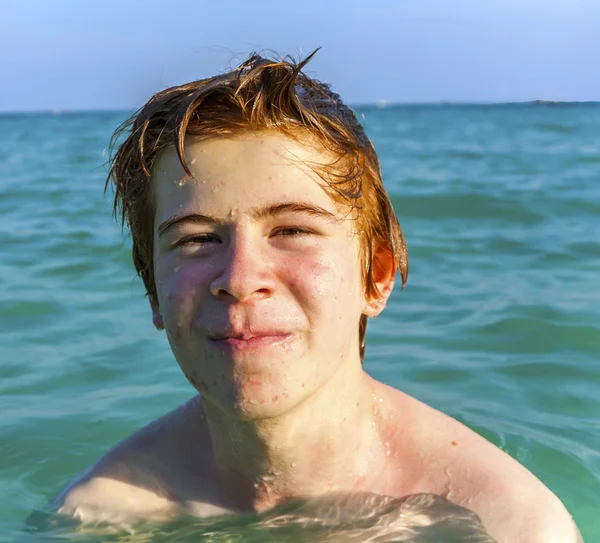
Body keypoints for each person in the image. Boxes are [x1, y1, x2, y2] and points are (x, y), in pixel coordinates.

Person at [55, 51, 581, 542]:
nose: (239, 279)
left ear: (375, 277)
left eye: (291, 231)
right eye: (196, 240)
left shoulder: (502, 522)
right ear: (153, 291)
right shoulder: (99, 516)